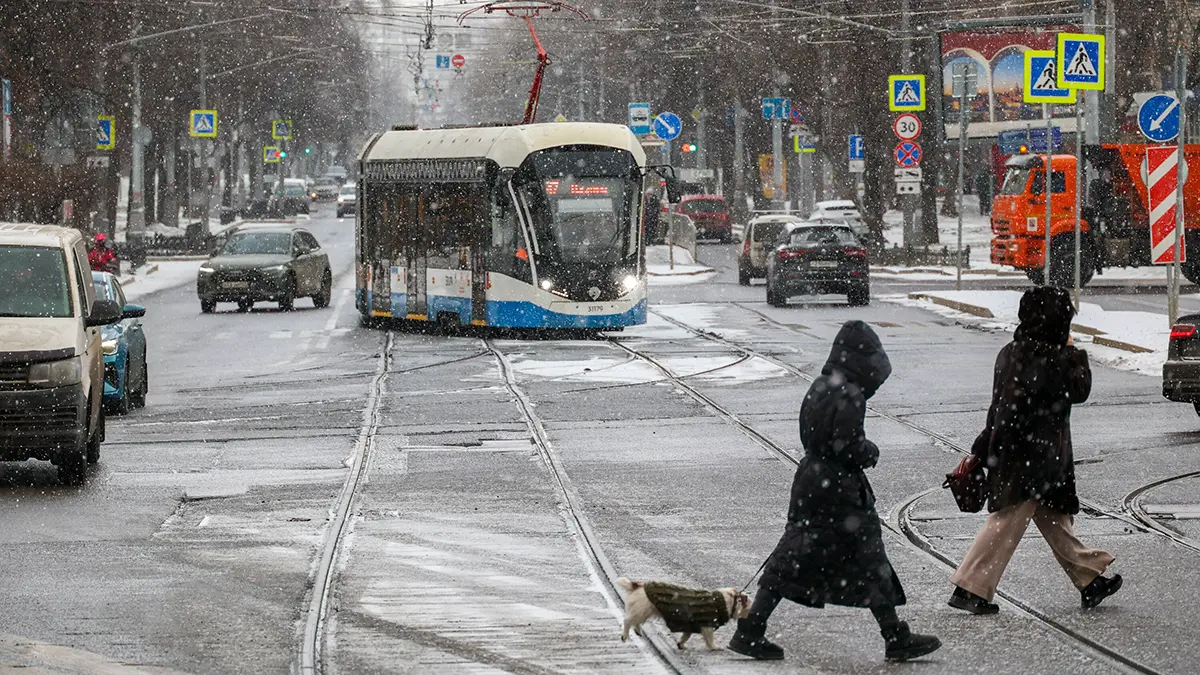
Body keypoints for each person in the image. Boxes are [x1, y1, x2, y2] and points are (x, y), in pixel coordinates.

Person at [729, 321, 941, 663]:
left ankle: (751, 628)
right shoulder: (851, 394)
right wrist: (869, 452)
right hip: (839, 489)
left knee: (794, 555)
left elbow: (815, 435)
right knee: (869, 558)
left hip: (811, 481)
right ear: (864, 361)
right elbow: (849, 446)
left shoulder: (820, 385)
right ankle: (895, 636)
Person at [949, 286, 1122, 614]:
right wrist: (1071, 351)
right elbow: (1079, 389)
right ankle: (970, 587)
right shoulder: (1049, 358)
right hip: (1032, 458)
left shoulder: (1012, 352)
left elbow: (999, 407)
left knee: (1055, 520)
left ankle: (1089, 579)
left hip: (1024, 454)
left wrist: (986, 445)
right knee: (1006, 523)